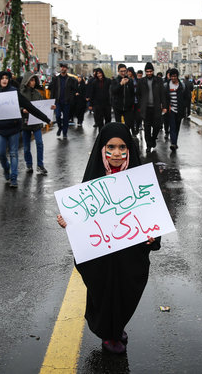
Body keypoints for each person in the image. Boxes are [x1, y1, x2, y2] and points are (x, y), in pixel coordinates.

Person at [56, 123, 161, 354]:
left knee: (127, 290)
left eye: (122, 147)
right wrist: (68, 222)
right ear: (102, 149)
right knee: (104, 290)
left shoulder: (138, 177)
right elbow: (80, 214)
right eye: (111, 147)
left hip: (130, 250)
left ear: (130, 149)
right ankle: (109, 333)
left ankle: (117, 325)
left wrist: (154, 236)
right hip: (100, 254)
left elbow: (150, 214)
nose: (116, 153)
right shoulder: (93, 177)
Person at [0, 70, 51, 188]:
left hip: (14, 128)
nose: (4, 80)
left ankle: (14, 178)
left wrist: (46, 118)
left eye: (6, 78)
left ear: (9, 80)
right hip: (0, 129)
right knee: (0, 153)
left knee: (14, 153)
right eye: (2, 78)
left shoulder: (14, 93)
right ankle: (6, 169)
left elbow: (30, 107)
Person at [21, 71, 55, 175]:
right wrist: (23, 110)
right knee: (26, 146)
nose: (33, 82)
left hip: (36, 123)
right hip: (25, 123)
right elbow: (17, 106)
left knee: (39, 143)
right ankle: (29, 164)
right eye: (31, 80)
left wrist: (51, 107)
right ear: (27, 81)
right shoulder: (21, 94)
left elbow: (43, 105)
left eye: (34, 80)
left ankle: (40, 165)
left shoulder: (37, 93)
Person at [136, 62, 167, 153]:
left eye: (150, 71)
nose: (149, 73)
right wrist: (141, 104)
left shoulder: (158, 80)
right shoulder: (141, 81)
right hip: (146, 109)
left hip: (156, 108)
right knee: (147, 127)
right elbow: (138, 94)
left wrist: (164, 106)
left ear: (153, 71)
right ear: (145, 72)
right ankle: (149, 145)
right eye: (147, 71)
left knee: (157, 126)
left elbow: (162, 94)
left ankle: (153, 139)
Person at [48, 63, 77, 139]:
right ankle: (60, 127)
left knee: (66, 118)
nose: (62, 69)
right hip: (58, 102)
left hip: (66, 102)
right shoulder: (56, 79)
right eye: (61, 67)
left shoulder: (70, 79)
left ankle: (64, 132)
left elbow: (73, 90)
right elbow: (52, 89)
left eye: (64, 67)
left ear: (66, 69)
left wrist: (71, 98)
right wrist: (51, 101)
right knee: (57, 116)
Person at [164, 68, 188, 150]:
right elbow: (164, 98)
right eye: (172, 76)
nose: (173, 78)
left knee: (177, 127)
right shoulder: (166, 85)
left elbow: (186, 98)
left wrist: (185, 107)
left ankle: (175, 142)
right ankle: (173, 143)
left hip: (180, 110)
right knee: (172, 126)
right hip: (171, 110)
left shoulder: (182, 86)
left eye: (175, 76)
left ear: (177, 76)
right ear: (170, 77)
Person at [110, 63, 136, 133]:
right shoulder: (114, 80)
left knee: (128, 124)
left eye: (125, 71)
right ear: (118, 71)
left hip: (128, 107)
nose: (123, 73)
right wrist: (120, 84)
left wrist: (131, 102)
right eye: (121, 71)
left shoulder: (130, 81)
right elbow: (113, 91)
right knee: (118, 125)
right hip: (117, 106)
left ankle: (127, 138)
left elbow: (132, 93)